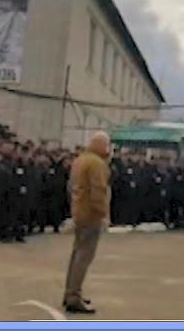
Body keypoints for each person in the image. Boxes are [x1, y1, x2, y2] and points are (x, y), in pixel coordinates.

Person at [63, 131, 111, 314]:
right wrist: (104, 214)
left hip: (79, 212)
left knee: (76, 254)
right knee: (84, 256)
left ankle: (70, 292)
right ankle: (74, 296)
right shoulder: (96, 163)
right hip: (91, 215)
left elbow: (70, 187)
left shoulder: (80, 160)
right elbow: (99, 191)